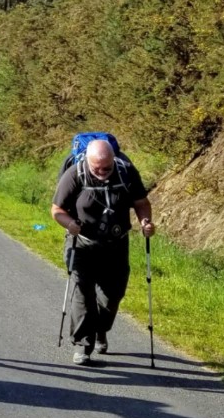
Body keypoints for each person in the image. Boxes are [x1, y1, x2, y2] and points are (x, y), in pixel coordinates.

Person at [51, 139, 154, 365]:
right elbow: (57, 210)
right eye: (98, 168)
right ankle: (82, 346)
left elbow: (141, 202)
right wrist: (69, 224)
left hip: (116, 244)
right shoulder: (74, 174)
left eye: (107, 167)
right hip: (82, 243)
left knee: (112, 295)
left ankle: (100, 330)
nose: (103, 172)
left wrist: (145, 221)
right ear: (88, 161)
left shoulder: (126, 172)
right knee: (83, 294)